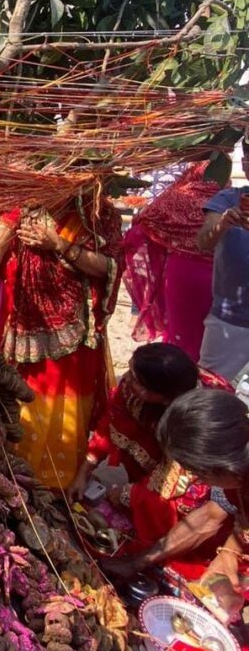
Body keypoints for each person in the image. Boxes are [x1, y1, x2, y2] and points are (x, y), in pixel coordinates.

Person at [0, 191, 123, 491]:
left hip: (75, 334)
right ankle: (14, 479)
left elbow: (111, 267)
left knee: (65, 408)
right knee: (21, 401)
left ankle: (57, 484)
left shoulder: (99, 214)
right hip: (25, 328)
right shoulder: (21, 207)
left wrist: (59, 245)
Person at [68, 343, 232, 578]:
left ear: (161, 397)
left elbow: (172, 481)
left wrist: (128, 494)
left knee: (162, 508)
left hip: (193, 468)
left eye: (135, 379)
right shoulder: (135, 387)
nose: (126, 379)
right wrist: (85, 470)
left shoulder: (200, 427)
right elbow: (111, 421)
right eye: (130, 370)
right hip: (168, 444)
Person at [123, 162, 222, 360]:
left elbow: (142, 227)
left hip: (183, 273)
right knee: (210, 337)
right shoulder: (229, 200)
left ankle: (179, 370)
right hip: (222, 275)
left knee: (182, 333)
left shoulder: (179, 197)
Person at [157, 388, 249, 592]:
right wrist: (230, 550)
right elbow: (212, 515)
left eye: (199, 473)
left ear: (229, 469)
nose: (198, 480)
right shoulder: (239, 464)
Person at [196, 142, 249, 382]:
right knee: (212, 387)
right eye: (247, 158)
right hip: (229, 319)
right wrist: (223, 224)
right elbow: (203, 242)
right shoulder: (228, 199)